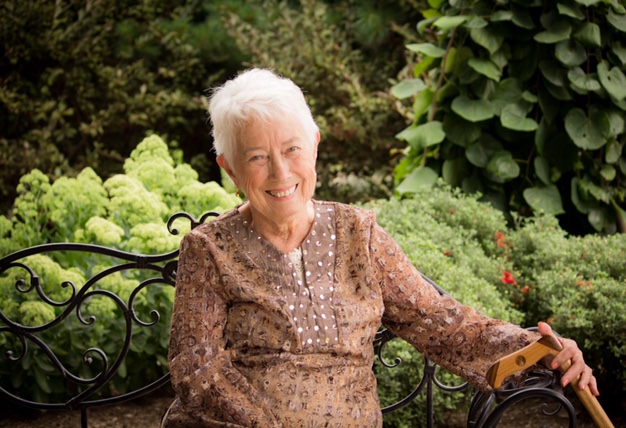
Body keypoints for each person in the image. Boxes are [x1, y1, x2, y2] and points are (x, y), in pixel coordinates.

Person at [161, 68, 598, 427]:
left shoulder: (358, 234)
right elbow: (198, 371)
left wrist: (540, 350)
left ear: (314, 146)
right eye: (257, 157)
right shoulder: (209, 250)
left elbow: (438, 322)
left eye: (292, 149)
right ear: (230, 169)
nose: (280, 171)